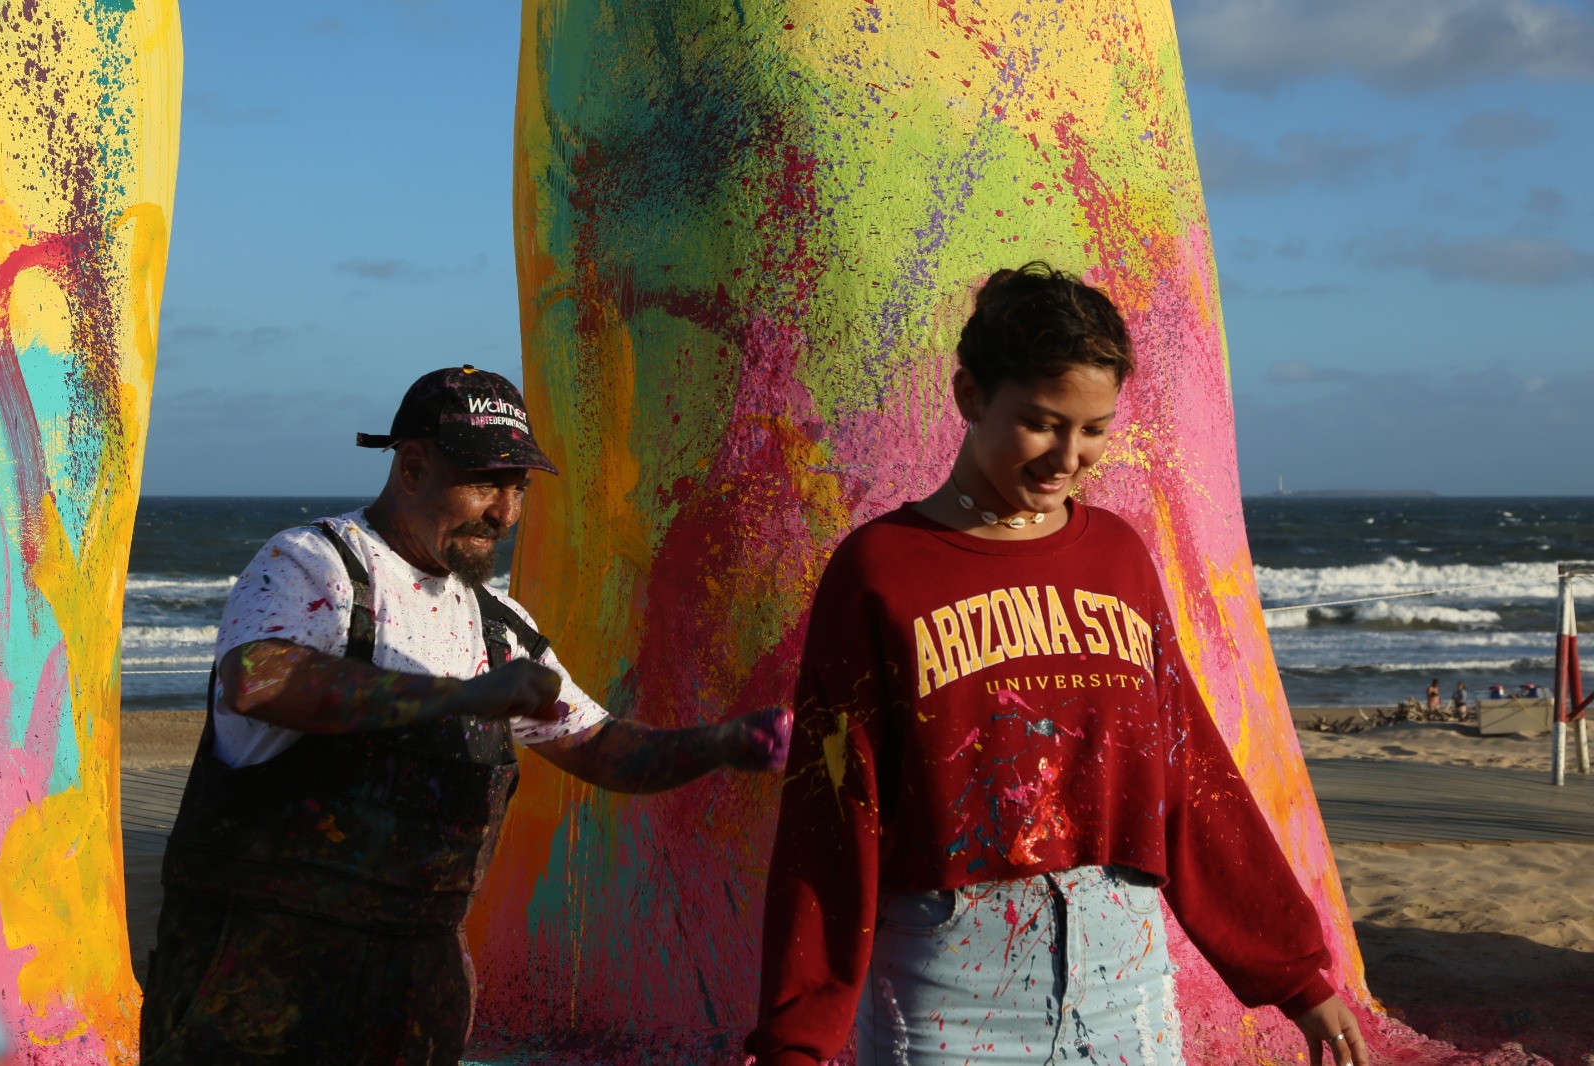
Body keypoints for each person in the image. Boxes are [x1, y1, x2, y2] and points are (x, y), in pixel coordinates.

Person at [746, 265, 1368, 1066]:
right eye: (1041, 423)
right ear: (971, 396)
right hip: (947, 992)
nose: (1067, 457)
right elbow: (832, 812)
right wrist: (798, 1039)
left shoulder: (1117, 557)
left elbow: (1187, 771)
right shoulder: (879, 571)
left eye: (1095, 429)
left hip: (1126, 985)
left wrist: (1296, 975)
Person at [141, 366, 791, 1064]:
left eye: (519, 488)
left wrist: (724, 743)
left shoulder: (499, 629)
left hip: (417, 997)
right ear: (413, 466)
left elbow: (602, 749)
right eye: (485, 482)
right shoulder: (314, 566)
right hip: (253, 990)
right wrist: (457, 698)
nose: (505, 514)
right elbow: (259, 680)